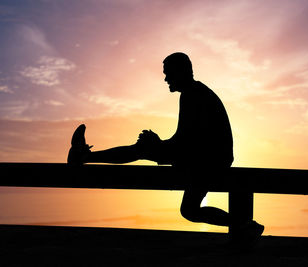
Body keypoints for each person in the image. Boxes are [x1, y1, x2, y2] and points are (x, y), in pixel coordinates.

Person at [67, 52, 264, 244]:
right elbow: (187, 139)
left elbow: (185, 141)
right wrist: (159, 144)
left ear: (182, 72)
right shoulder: (194, 92)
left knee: (143, 150)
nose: (165, 78)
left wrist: (158, 144)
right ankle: (245, 225)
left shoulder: (193, 95)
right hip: (206, 157)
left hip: (206, 160)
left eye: (168, 73)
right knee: (189, 209)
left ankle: (84, 155)